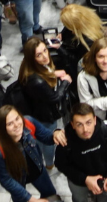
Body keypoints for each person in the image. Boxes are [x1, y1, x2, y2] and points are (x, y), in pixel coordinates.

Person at [0, 105, 65, 202]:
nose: (16, 125)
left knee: (50, 194)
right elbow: (6, 180)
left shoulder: (28, 122)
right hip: (17, 178)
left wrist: (56, 134)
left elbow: (46, 136)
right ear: (3, 128)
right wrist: (31, 200)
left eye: (17, 118)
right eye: (10, 124)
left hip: (37, 168)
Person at [19, 37, 73, 168]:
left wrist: (53, 74)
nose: (45, 56)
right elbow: (54, 97)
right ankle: (49, 163)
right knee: (49, 139)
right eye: (39, 55)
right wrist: (65, 82)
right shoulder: (35, 81)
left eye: (45, 50)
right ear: (32, 58)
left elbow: (43, 75)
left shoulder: (29, 68)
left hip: (36, 110)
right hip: (44, 115)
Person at [55, 102, 107, 202]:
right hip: (78, 181)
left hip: (104, 177)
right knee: (79, 199)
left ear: (95, 120)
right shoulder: (65, 140)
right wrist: (85, 179)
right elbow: (61, 164)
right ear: (72, 125)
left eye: (88, 122)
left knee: (103, 199)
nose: (85, 129)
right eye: (79, 125)